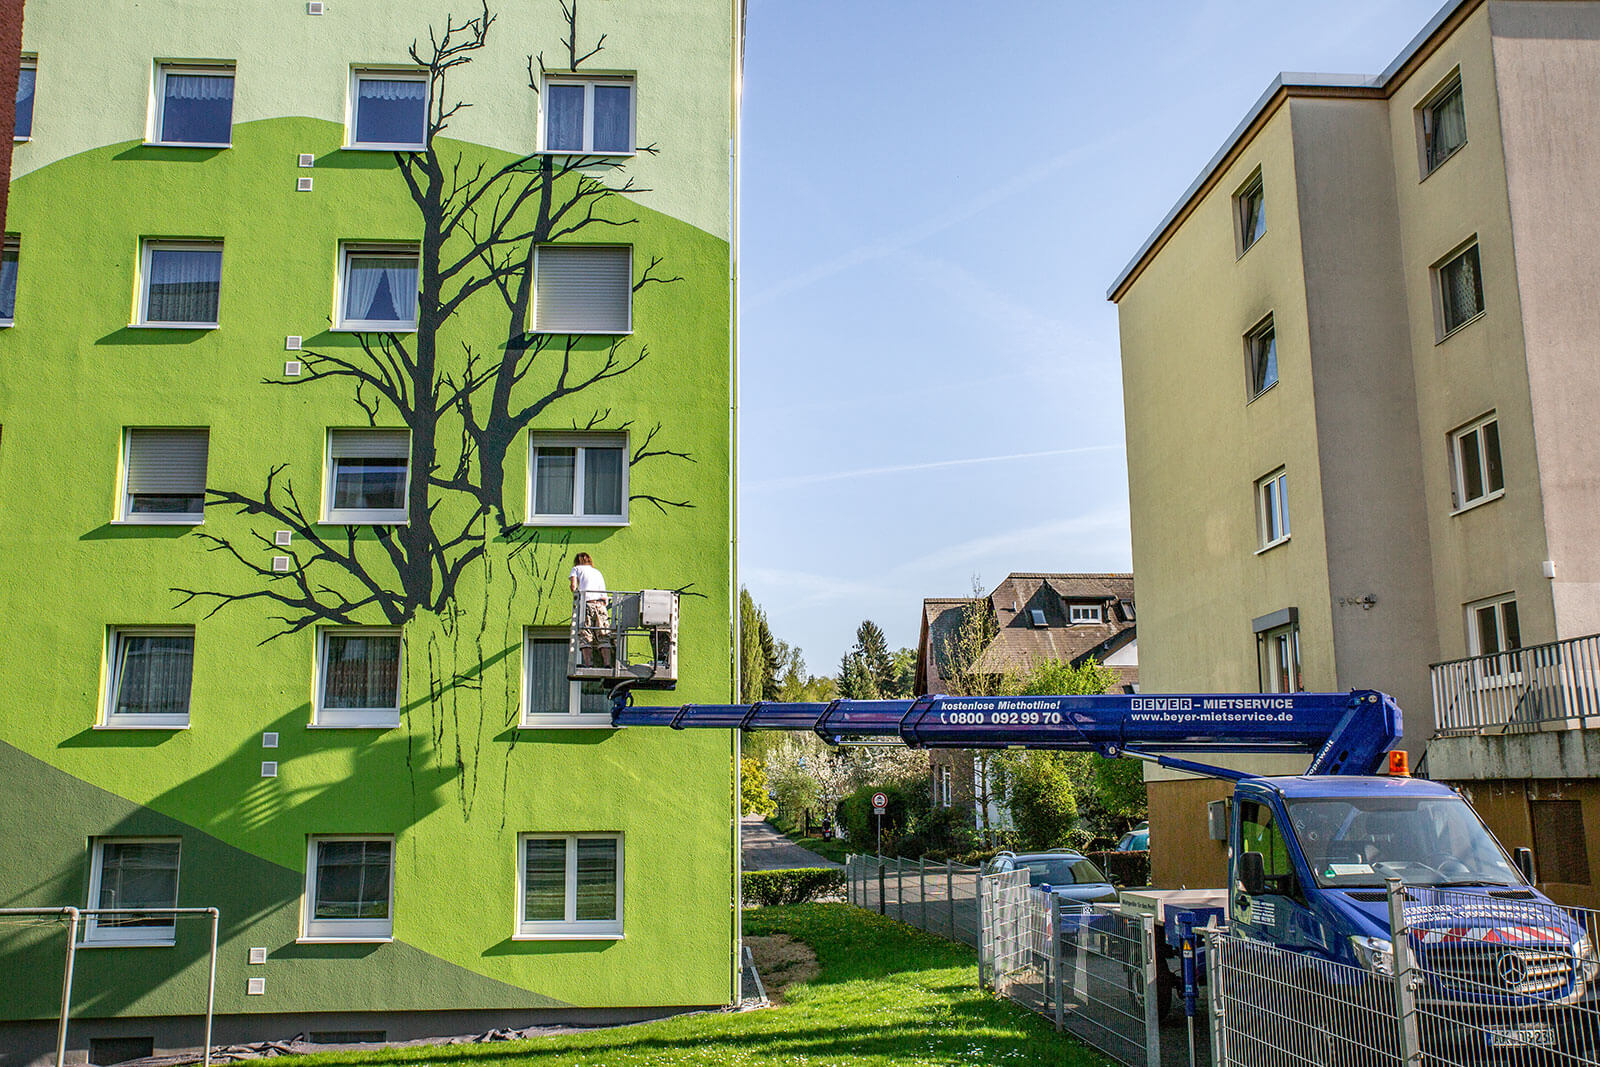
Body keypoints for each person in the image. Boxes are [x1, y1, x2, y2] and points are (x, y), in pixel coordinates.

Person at [569, 552, 612, 668]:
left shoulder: (576, 569)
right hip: (601, 605)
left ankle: (588, 664)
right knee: (603, 635)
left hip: (587, 604)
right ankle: (607, 664)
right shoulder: (597, 572)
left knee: (586, 634)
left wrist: (576, 593)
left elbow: (573, 587)